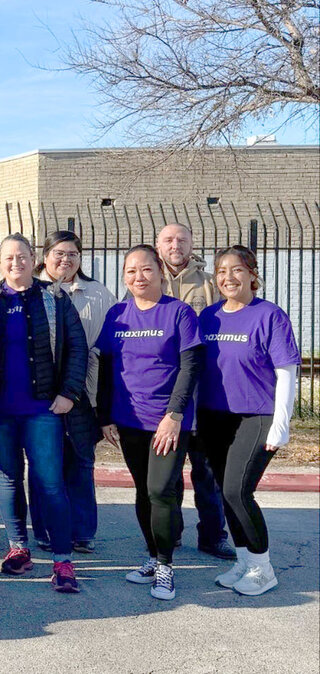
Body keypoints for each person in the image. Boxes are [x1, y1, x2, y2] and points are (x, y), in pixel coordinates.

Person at [0, 233, 92, 594]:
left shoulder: (54, 297)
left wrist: (69, 392)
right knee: (9, 478)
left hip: (43, 409)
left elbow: (77, 347)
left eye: (22, 256)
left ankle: (62, 561)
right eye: (8, 258)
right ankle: (18, 549)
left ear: (34, 259)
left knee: (50, 482)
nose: (16, 263)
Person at [97, 244, 202, 601]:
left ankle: (166, 566)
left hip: (168, 421)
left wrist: (175, 415)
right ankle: (154, 557)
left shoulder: (179, 313)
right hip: (129, 420)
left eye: (145, 269)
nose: (138, 277)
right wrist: (105, 417)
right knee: (143, 490)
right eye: (131, 271)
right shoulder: (117, 314)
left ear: (159, 272)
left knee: (160, 490)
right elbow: (108, 369)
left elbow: (190, 367)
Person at [197, 246, 300, 596]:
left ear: (253, 274)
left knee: (237, 490)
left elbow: (286, 371)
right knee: (225, 493)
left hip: (257, 415)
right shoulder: (209, 317)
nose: (228, 277)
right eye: (221, 271)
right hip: (214, 417)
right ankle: (244, 561)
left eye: (237, 270)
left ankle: (263, 568)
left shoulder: (269, 315)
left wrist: (281, 423)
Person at [29, 230, 117, 553]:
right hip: (41, 392)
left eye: (73, 254)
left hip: (84, 393)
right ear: (45, 256)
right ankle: (44, 529)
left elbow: (108, 349)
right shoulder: (30, 290)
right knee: (43, 464)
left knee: (81, 462)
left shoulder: (98, 294)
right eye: (59, 253)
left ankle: (82, 531)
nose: (65, 260)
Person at [156, 223, 234, 560]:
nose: (175, 245)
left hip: (204, 390)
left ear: (191, 244)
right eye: (169, 240)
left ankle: (213, 536)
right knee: (168, 471)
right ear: (158, 245)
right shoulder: (147, 278)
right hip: (162, 390)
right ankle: (170, 533)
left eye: (182, 239)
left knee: (207, 470)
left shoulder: (209, 283)